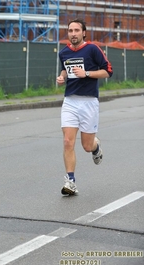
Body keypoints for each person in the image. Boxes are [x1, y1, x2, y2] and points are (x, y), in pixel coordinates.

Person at [56, 19, 113, 196]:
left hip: (89, 102)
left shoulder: (93, 49)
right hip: (70, 101)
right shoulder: (64, 52)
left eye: (76, 30)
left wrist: (87, 73)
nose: (73, 33)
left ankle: (96, 146)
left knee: (86, 146)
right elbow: (65, 70)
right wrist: (61, 77)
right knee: (67, 141)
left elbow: (108, 71)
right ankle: (70, 182)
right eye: (70, 30)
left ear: (83, 33)